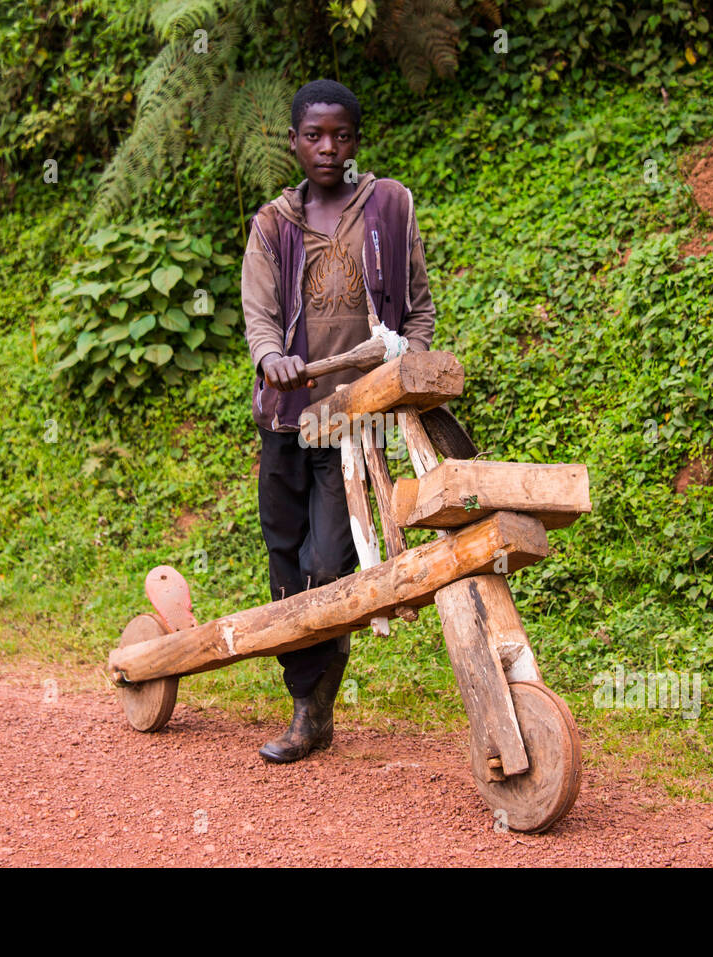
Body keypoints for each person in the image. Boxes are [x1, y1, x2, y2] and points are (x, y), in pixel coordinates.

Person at [240, 78, 437, 763]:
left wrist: (404, 361)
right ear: (293, 142)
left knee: (328, 564)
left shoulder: (389, 206)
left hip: (354, 424)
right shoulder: (272, 224)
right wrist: (273, 359)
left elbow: (417, 309)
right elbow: (261, 318)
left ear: (358, 141)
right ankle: (308, 709)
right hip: (287, 419)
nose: (329, 148)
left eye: (342, 135)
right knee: (286, 561)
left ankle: (314, 706)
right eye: (314, 136)